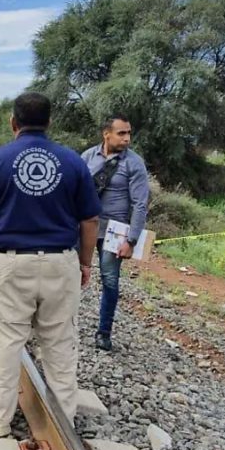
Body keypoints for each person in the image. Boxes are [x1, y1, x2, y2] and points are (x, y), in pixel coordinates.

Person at [0, 92, 101, 437]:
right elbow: (90, 221)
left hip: (9, 265)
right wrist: (85, 263)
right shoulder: (72, 162)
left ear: (13, 123)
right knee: (59, 342)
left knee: (6, 342)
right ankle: (63, 420)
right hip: (60, 262)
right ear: (49, 122)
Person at [80, 116, 150, 351]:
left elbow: (140, 204)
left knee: (110, 281)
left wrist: (132, 240)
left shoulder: (134, 163)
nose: (127, 138)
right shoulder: (88, 157)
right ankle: (62, 325)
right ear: (106, 134)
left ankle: (104, 332)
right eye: (121, 133)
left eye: (129, 133)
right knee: (69, 275)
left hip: (114, 231)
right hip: (84, 227)